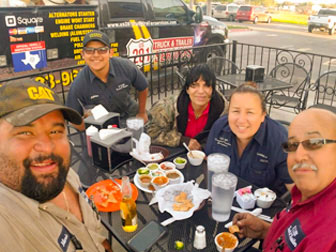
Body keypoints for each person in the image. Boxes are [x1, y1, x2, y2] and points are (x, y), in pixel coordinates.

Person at [0, 80, 113, 252]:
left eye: (55, 131)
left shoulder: (66, 174)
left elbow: (95, 233)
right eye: (24, 133)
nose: (47, 147)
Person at [232, 108, 336, 252]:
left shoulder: (330, 236)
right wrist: (264, 230)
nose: (299, 155)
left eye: (313, 143)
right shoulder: (305, 193)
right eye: (292, 145)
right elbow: (294, 238)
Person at [205, 83, 293, 196]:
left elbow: (296, 189)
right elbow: (208, 164)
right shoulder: (219, 128)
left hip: (264, 210)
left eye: (250, 112)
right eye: (236, 111)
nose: (241, 120)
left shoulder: (279, 139)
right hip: (222, 199)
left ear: (263, 116)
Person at [66, 30, 149, 130]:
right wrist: (92, 130)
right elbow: (72, 119)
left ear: (110, 53)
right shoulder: (79, 84)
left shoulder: (126, 66)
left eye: (102, 50)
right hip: (104, 126)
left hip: (130, 113)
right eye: (89, 50)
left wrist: (142, 113)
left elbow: (143, 86)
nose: (96, 55)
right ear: (83, 54)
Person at [146, 64, 227, 150]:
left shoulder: (224, 109)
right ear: (187, 89)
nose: (200, 91)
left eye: (206, 86)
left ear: (213, 90)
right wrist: (182, 140)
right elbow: (151, 133)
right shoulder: (166, 108)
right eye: (194, 85)